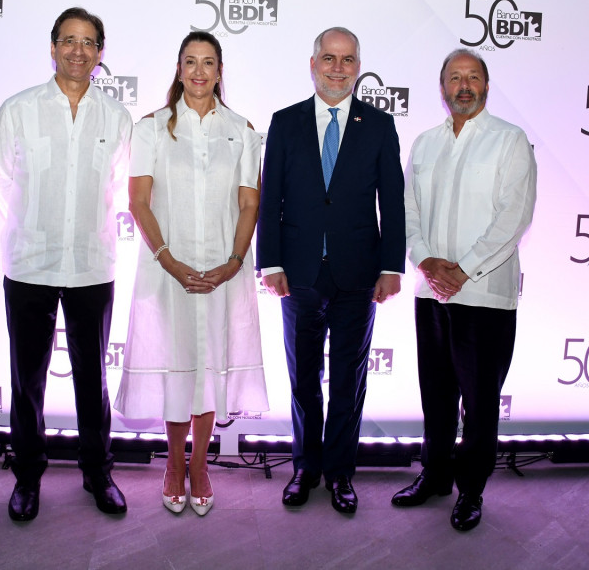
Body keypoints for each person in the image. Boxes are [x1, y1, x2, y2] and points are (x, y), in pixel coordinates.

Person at [114, 31, 269, 516]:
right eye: (190, 62)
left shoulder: (243, 130)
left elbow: (250, 202)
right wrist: (168, 259)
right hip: (167, 269)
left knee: (208, 369)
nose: (199, 71)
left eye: (208, 63)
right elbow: (138, 201)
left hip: (225, 271)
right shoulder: (152, 128)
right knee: (179, 366)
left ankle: (199, 464)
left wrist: (234, 263)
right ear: (178, 70)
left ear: (220, 71)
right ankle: (173, 464)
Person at [256, 27, 405, 514]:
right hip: (297, 274)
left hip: (358, 276)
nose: (337, 68)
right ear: (313, 62)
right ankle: (305, 467)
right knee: (302, 379)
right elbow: (270, 199)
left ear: (357, 66)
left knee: (348, 380)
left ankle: (340, 472)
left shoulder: (379, 126)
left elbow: (394, 204)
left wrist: (390, 267)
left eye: (347, 60)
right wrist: (272, 262)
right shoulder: (284, 122)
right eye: (328, 58)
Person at [0, 7, 132, 521]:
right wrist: (36, 226)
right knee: (26, 378)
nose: (78, 50)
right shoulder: (19, 109)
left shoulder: (115, 116)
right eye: (68, 40)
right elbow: (3, 184)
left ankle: (98, 472)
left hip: (93, 264)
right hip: (29, 263)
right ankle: (27, 475)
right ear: (52, 47)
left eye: (88, 42)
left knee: (92, 378)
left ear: (100, 53)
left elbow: (117, 186)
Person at [391, 49, 536, 531]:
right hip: (430, 290)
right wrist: (427, 261)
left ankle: (471, 490)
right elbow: (407, 210)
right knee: (435, 393)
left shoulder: (510, 141)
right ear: (442, 88)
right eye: (455, 78)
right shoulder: (426, 143)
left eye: (473, 77)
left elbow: (513, 217)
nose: (464, 85)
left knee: (479, 400)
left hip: (483, 296)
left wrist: (464, 269)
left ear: (487, 86)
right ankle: (434, 477)